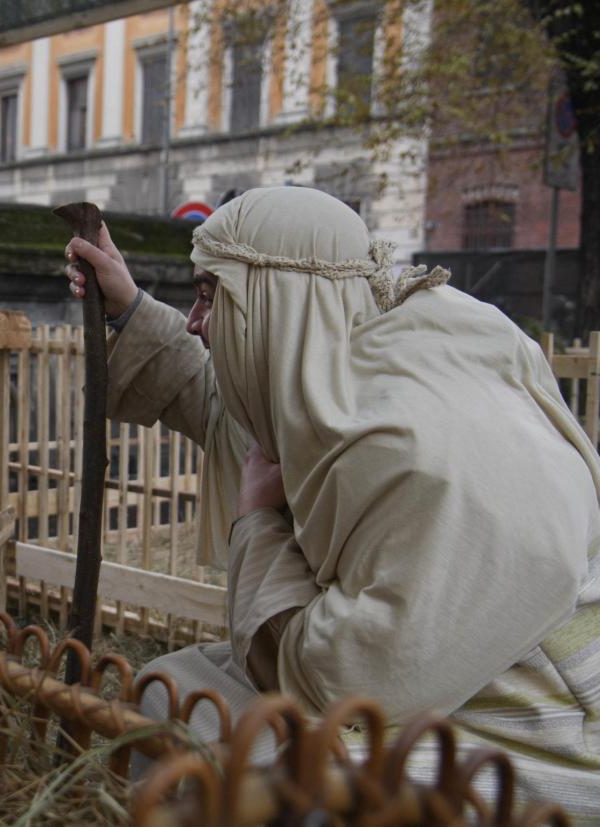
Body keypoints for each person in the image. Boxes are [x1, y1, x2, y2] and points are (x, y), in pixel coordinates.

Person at [66, 187, 600, 814]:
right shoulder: (351, 366)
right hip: (420, 681)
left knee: (281, 791)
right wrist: (129, 306)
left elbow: (348, 685)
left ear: (276, 303)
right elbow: (229, 403)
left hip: (530, 720)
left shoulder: (412, 449)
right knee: (165, 690)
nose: (192, 319)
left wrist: (259, 519)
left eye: (211, 294)